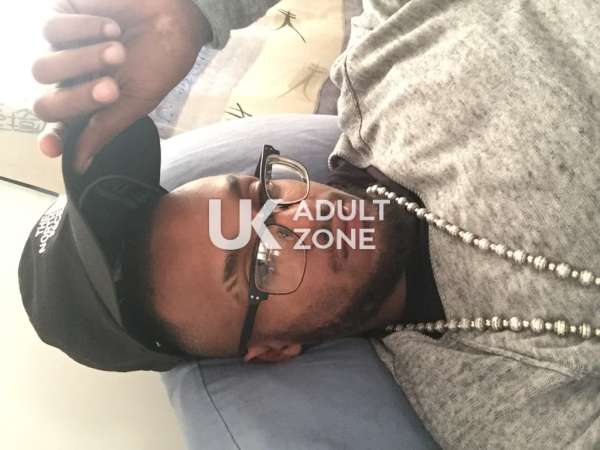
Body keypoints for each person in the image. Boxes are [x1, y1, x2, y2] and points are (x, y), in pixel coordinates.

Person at [28, 0, 600, 448]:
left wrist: (193, 11)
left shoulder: (384, 64)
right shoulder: (499, 395)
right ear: (275, 349)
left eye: (261, 195)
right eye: (261, 262)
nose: (305, 216)